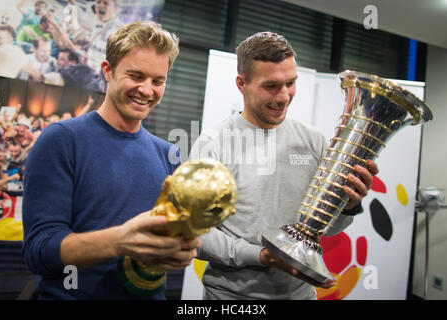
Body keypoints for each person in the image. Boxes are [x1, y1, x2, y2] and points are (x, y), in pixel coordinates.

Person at [189, 31, 378, 300]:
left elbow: (326, 229)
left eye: (290, 83)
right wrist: (262, 256)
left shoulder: (314, 141)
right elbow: (195, 234)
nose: (284, 96)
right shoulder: (213, 144)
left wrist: (348, 206)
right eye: (271, 86)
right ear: (241, 84)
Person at [22, 21, 201, 300]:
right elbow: (39, 250)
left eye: (158, 81)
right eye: (136, 76)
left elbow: (170, 239)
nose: (146, 90)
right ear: (108, 71)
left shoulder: (169, 155)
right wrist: (120, 241)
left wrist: (180, 251)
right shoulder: (62, 140)